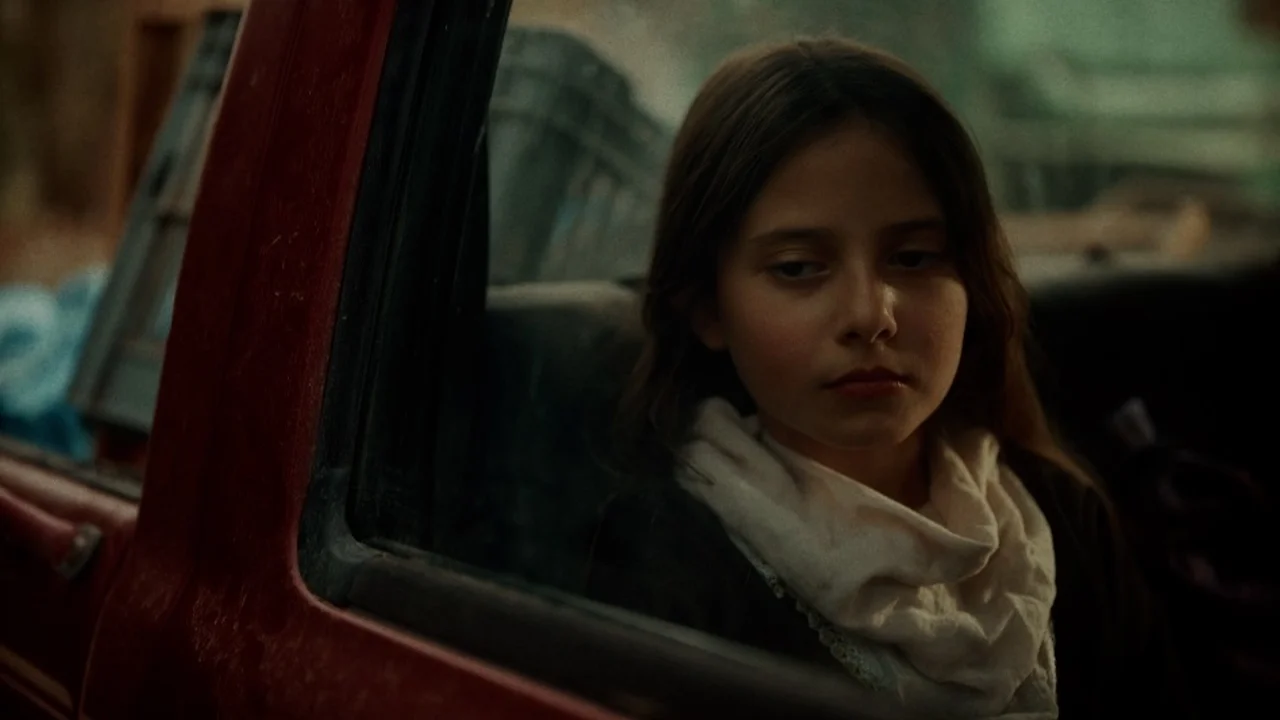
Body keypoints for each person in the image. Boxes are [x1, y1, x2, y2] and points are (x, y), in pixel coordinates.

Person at [583, 38, 1191, 719]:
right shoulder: (666, 560)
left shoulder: (1055, 517)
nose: (871, 316)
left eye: (914, 257)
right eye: (798, 268)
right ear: (706, 308)